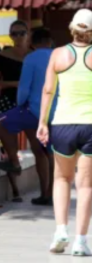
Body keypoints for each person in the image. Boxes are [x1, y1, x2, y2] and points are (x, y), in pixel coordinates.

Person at [37, 9, 92, 256]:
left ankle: (61, 230)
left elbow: (48, 91)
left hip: (62, 123)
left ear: (72, 28)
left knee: (61, 179)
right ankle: (80, 241)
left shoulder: (58, 55)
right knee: (86, 186)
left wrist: (42, 122)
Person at [0, 28, 56, 206]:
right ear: (49, 41)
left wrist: (20, 103)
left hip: (34, 111)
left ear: (33, 41)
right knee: (49, 153)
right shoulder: (62, 57)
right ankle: (49, 193)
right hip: (59, 112)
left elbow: (24, 88)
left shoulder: (31, 58)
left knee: (3, 121)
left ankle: (14, 160)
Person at [0, 20, 31, 202]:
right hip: (7, 100)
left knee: (39, 147)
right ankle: (16, 190)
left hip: (30, 103)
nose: (18, 37)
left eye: (21, 33)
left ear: (28, 34)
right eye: (14, 34)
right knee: (9, 147)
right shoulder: (3, 56)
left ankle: (48, 190)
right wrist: (18, 84)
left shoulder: (34, 56)